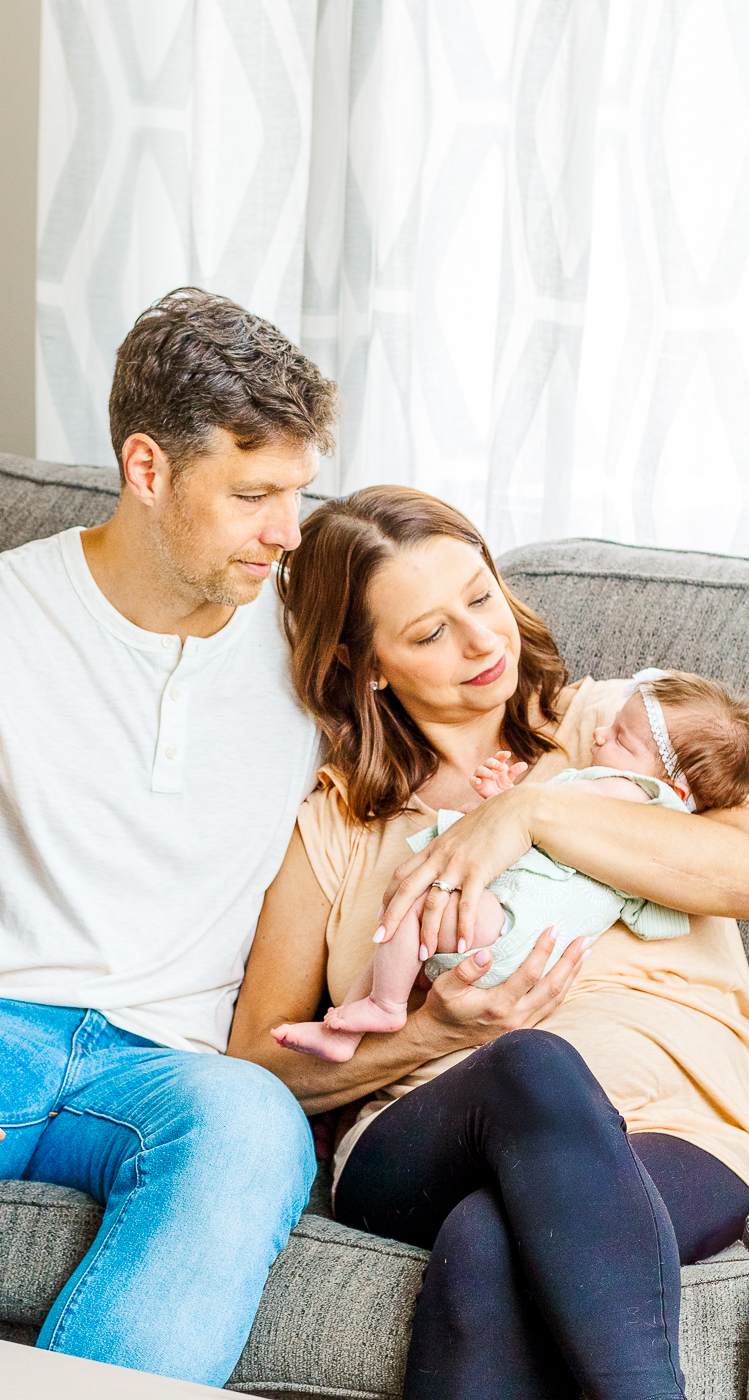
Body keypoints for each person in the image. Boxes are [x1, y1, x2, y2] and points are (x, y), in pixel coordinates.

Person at [0, 288, 344, 1384]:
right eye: (253, 495)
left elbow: (497, 707)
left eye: (298, 491)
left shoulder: (318, 634)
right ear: (146, 469)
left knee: (256, 1125)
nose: (287, 532)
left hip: (170, 1064)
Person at [228, 486, 749, 1400]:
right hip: (424, 1133)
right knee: (529, 1063)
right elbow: (254, 1066)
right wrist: (433, 1032)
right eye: (428, 633)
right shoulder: (340, 825)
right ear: (367, 666)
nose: (480, 642)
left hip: (686, 1125)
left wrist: (530, 810)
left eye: (479, 595)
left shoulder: (616, 726)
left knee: (485, 1243)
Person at [274, 669, 749, 1059]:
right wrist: (507, 803)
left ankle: (380, 1007)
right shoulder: (643, 808)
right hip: (519, 944)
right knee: (402, 929)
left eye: (621, 739)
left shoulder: (629, 790)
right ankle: (358, 1022)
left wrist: (513, 802)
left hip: (511, 927)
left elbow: (544, 814)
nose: (600, 733)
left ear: (679, 790)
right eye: (429, 635)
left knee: (409, 906)